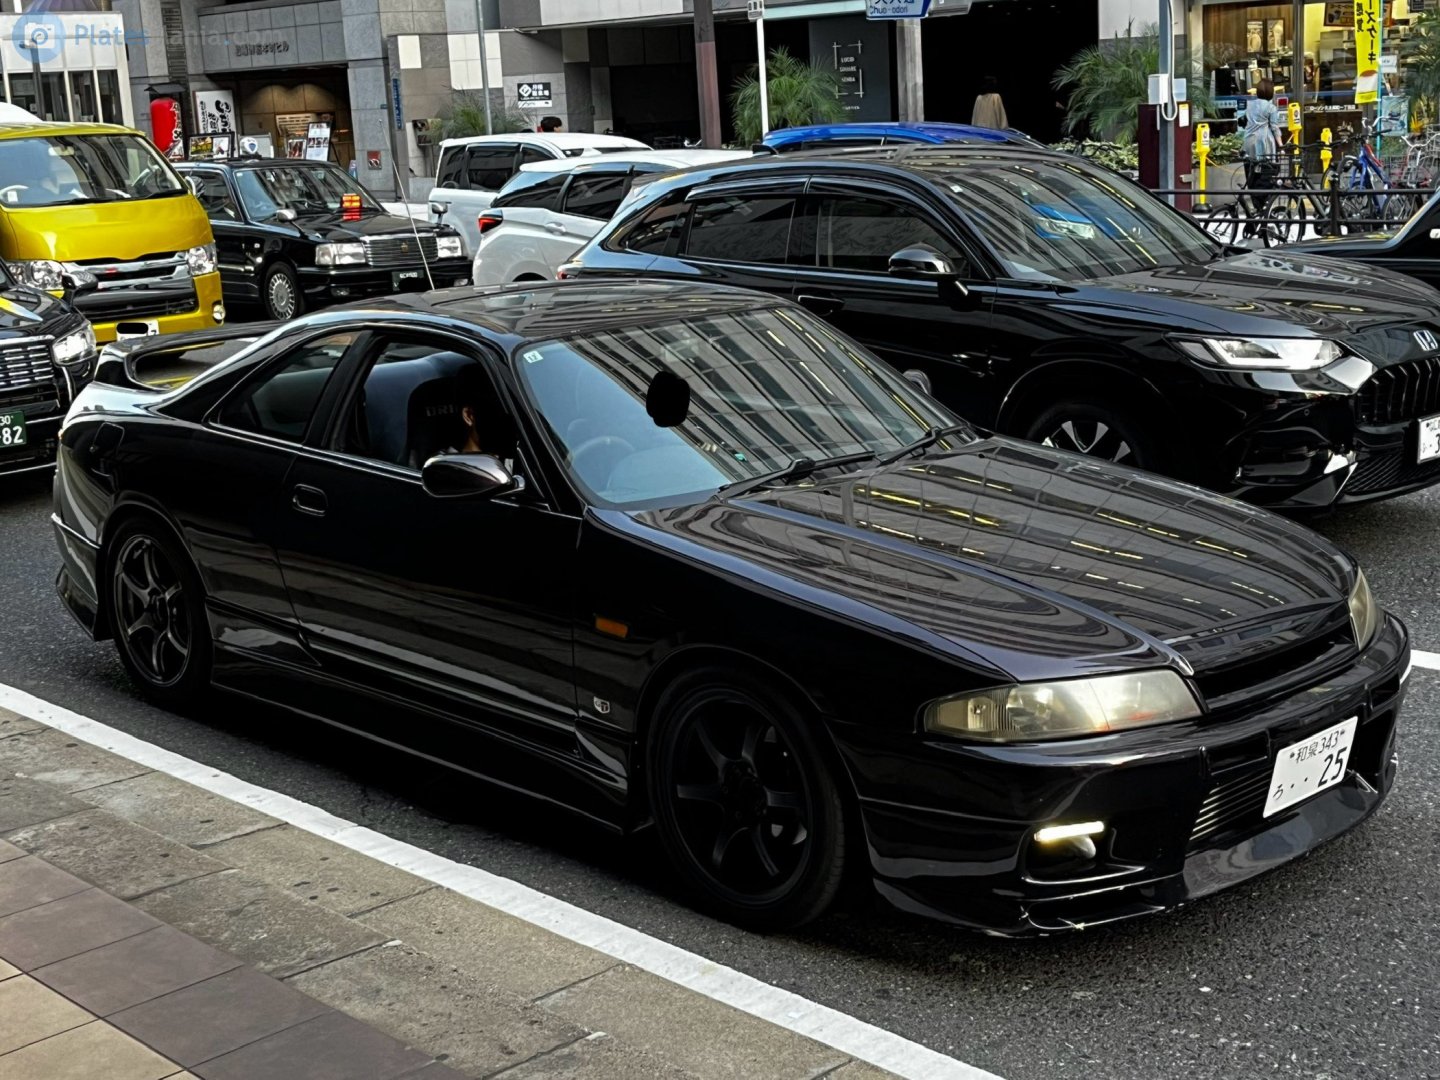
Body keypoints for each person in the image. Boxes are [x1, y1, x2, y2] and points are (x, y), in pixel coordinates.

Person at [1242, 78, 1285, 188]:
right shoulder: (1271, 108)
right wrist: (1281, 146)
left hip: (1248, 140)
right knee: (1266, 171)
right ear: (1270, 92)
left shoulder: (1249, 105)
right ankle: (1263, 200)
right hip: (1264, 141)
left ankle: (1255, 198)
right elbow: (1275, 128)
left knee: (1251, 172)